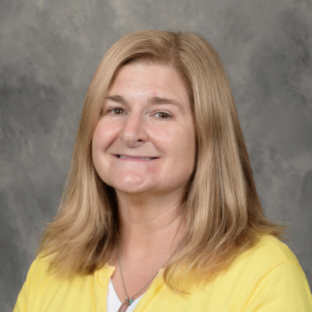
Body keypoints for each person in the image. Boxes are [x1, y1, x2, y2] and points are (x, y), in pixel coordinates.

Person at [14, 30, 312, 312]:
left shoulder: (265, 274)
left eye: (161, 114)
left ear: (207, 134)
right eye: (116, 110)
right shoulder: (51, 267)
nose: (131, 134)